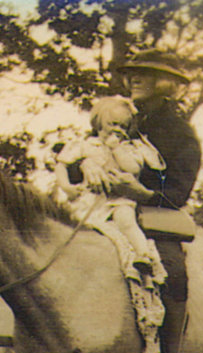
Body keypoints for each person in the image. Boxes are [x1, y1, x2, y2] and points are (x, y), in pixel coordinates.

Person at [68, 49, 202, 353]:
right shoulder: (119, 115)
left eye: (147, 73)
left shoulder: (180, 133)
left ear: (169, 84)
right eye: (132, 73)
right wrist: (84, 166)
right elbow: (83, 150)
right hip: (101, 211)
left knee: (172, 272)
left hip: (152, 220)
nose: (135, 78)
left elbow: (178, 193)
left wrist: (139, 192)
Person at [55, 96, 165, 275]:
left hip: (119, 199)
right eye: (113, 124)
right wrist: (67, 187)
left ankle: (143, 255)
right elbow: (61, 164)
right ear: (98, 123)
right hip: (90, 199)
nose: (117, 130)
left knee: (127, 221)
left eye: (123, 126)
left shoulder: (128, 148)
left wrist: (116, 149)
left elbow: (132, 168)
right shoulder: (85, 145)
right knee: (72, 227)